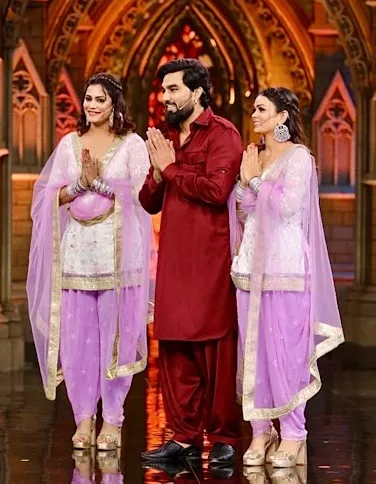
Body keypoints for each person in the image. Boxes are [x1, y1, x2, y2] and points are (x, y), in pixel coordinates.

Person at [27, 73, 153, 452]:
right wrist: (79, 185)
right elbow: (49, 197)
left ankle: (112, 419)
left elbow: (143, 196)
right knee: (77, 339)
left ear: (114, 104)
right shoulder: (69, 144)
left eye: (100, 99)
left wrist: (100, 184)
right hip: (78, 254)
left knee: (115, 338)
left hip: (118, 257)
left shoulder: (132, 145)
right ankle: (83, 416)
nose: (92, 105)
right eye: (88, 98)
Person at [229, 87, 344, 468]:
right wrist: (246, 182)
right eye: (254, 108)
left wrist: (253, 181)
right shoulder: (255, 155)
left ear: (282, 117)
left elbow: (287, 206)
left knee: (286, 353)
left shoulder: (298, 158)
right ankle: (261, 432)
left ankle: (294, 435)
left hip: (285, 267)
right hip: (250, 266)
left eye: (262, 109)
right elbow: (243, 212)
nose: (254, 114)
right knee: (254, 353)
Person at [139, 58, 242, 467]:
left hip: (211, 257)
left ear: (197, 92)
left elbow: (217, 191)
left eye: (173, 89)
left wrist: (170, 168)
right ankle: (184, 438)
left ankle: (223, 437)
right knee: (176, 345)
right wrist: (158, 173)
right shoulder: (166, 137)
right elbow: (149, 201)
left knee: (213, 347)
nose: (165, 97)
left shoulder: (223, 135)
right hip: (173, 258)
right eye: (163, 90)